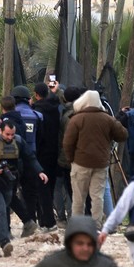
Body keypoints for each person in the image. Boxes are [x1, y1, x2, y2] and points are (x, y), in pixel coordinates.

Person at [0, 120, 48, 258]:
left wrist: (40, 171)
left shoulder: (18, 141)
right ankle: (4, 242)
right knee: (1, 209)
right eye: (7, 134)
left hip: (8, 183)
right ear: (0, 131)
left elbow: (30, 157)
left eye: (12, 134)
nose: (10, 137)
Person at [64, 90, 128, 226]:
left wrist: (71, 159)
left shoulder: (76, 119)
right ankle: (97, 225)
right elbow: (123, 135)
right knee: (97, 196)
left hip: (80, 162)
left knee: (79, 197)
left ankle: (77, 224)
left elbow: (68, 142)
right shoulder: (107, 118)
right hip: (101, 163)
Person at [10, 86, 44, 237]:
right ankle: (31, 223)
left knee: (9, 193)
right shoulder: (37, 116)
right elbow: (41, 138)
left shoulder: (11, 117)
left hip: (14, 160)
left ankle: (7, 228)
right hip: (32, 159)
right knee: (31, 194)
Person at [32, 82, 61, 232]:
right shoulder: (56, 109)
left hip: (41, 153)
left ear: (36, 95)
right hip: (55, 152)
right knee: (50, 186)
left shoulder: (37, 111)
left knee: (42, 187)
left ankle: (48, 221)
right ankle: (45, 220)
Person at [54, 86, 82, 228]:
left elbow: (63, 140)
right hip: (82, 158)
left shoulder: (65, 115)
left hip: (66, 159)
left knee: (66, 188)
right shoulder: (84, 112)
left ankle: (64, 217)